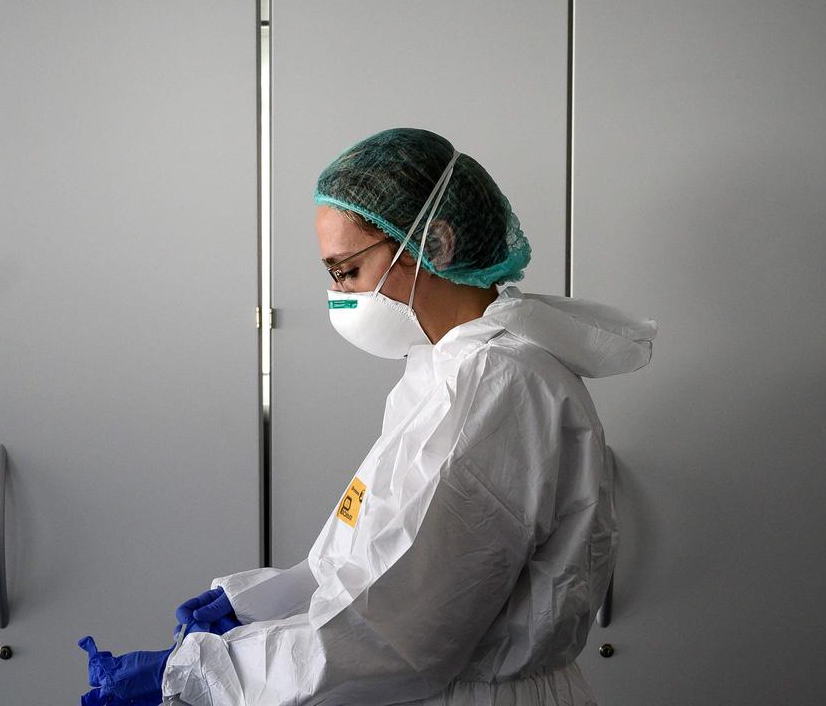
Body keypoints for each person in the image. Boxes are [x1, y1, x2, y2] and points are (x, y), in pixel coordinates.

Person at [160, 127, 657, 706]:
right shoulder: (440, 368)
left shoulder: (494, 384)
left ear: (436, 244)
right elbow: (379, 552)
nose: (337, 295)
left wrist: (202, 675)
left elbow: (396, 639)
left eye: (346, 271)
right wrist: (262, 600)